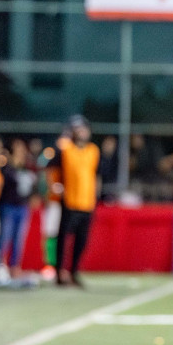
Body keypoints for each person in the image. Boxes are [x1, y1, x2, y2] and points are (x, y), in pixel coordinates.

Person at [55, 115, 99, 287]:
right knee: (63, 239)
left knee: (81, 241)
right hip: (70, 202)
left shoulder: (93, 150)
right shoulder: (66, 149)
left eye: (83, 128)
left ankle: (74, 271)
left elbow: (97, 175)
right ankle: (59, 272)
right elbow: (52, 166)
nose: (81, 132)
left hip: (87, 202)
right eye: (77, 129)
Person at [0, 137, 37, 276]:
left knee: (18, 239)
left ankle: (15, 267)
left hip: (22, 206)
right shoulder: (6, 166)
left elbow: (33, 186)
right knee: (5, 237)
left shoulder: (27, 166)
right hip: (8, 205)